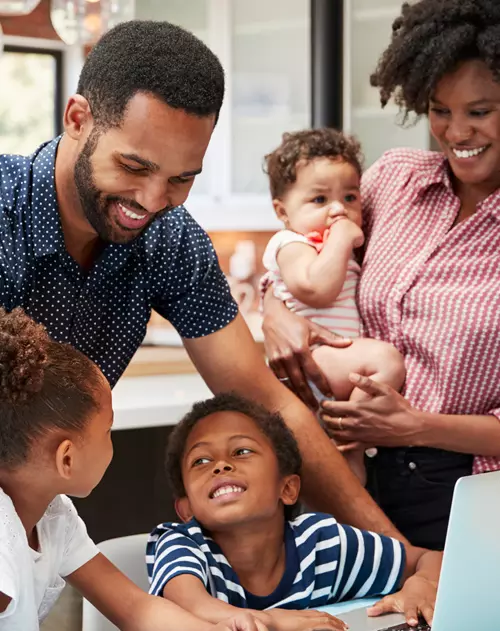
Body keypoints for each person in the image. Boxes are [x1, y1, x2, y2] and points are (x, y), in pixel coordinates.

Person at [0, 21, 418, 568]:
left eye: (181, 179)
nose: (151, 201)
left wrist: (402, 557)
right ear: (78, 119)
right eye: (133, 166)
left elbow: (268, 404)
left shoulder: (172, 243)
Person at [261, 0, 500, 550]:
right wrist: (273, 308)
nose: (455, 131)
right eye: (440, 109)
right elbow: (306, 241)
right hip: (343, 458)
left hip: (457, 484)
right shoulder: (393, 180)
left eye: (480, 112)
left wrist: (413, 425)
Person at [0, 308, 274, 631]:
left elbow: (135, 609)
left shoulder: (53, 515)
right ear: (67, 459)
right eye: (107, 430)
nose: (111, 442)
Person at [146, 393, 441, 631]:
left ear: (287, 488)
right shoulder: (182, 544)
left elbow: (433, 559)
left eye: (241, 451)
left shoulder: (323, 544)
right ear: (186, 510)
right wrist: (269, 621)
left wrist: (422, 583)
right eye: (201, 460)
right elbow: (191, 605)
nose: (221, 466)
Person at [262, 128, 405, 481]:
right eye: (319, 200)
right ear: (283, 211)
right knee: (387, 360)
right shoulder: (291, 243)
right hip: (312, 357)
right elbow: (315, 289)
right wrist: (342, 237)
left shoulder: (335, 249)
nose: (338, 209)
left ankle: (348, 455)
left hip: (334, 364)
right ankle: (350, 425)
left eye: (350, 197)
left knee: (343, 475)